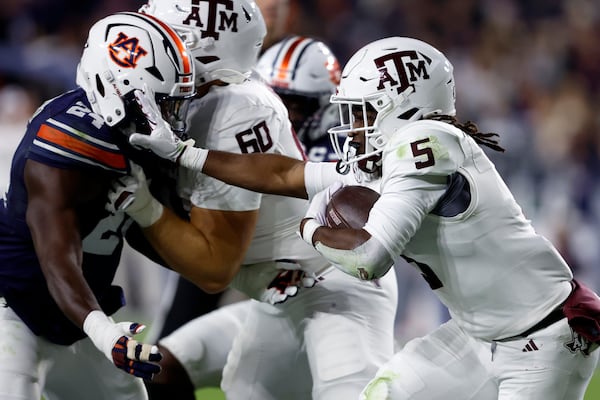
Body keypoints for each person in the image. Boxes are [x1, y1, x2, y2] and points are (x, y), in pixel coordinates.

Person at [130, 36, 600, 399]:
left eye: (363, 112)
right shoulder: (393, 155)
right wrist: (187, 154)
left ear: (403, 104)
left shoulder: (427, 145)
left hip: (545, 337)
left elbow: (369, 258)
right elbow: (284, 172)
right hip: (474, 332)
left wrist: (309, 228)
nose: (352, 127)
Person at [112, 1, 398, 399]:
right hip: (277, 291)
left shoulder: (240, 109)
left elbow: (213, 267)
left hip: (333, 285)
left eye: (164, 33)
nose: (148, 46)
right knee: (174, 370)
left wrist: (144, 207)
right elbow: (154, 235)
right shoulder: (192, 100)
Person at [0, 11, 196, 400]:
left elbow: (176, 237)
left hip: (76, 318)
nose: (170, 117)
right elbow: (57, 257)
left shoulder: (138, 137)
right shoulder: (64, 141)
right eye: (159, 102)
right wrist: (107, 335)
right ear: (115, 90)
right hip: (13, 306)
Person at [256, 34, 342, 162]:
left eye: (297, 107)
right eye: (274, 102)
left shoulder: (341, 152)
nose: (284, 115)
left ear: (326, 106)